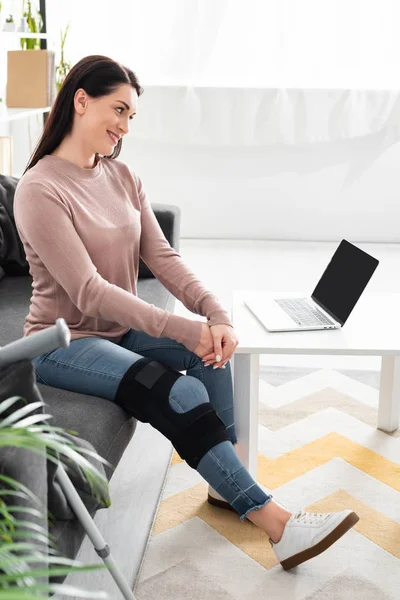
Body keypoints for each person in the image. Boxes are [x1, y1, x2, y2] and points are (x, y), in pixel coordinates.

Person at [13, 55, 359, 571]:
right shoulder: (41, 189)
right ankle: (276, 525)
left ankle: (230, 483)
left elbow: (163, 258)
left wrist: (215, 315)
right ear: (80, 100)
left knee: (215, 353)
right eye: (119, 110)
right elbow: (88, 291)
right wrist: (182, 327)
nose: (125, 126)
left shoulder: (122, 175)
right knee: (182, 390)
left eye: (132, 116)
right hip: (64, 343)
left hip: (120, 331)